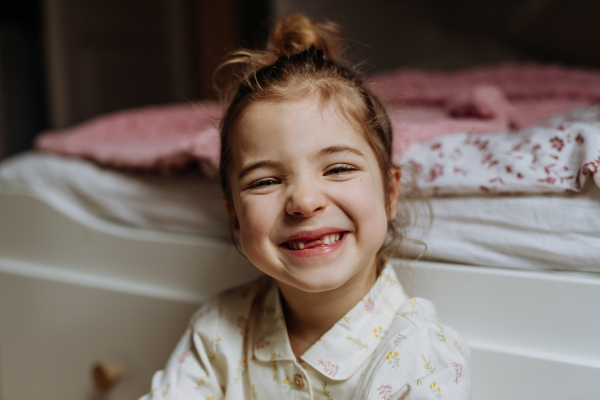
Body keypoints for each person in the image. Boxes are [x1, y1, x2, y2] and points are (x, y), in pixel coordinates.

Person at [140, 14, 470, 400]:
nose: (304, 201)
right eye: (265, 181)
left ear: (390, 195)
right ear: (234, 216)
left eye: (339, 168)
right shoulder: (218, 328)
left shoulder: (422, 358)